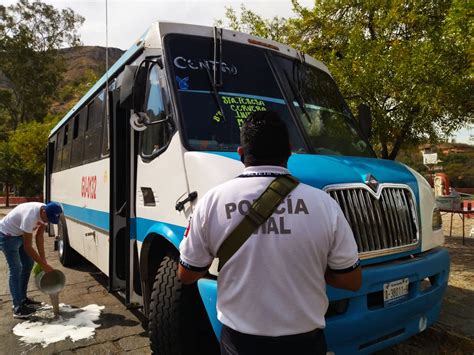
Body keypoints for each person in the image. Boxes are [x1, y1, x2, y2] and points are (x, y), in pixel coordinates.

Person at [178, 110, 362, 354]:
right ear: (289, 150)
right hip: (305, 344)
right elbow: (352, 280)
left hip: (241, 344)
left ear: (241, 154)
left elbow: (186, 274)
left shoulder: (212, 201)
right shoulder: (324, 204)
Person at [0, 201, 62, 318]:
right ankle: (18, 307)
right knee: (16, 268)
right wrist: (43, 265)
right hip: (7, 236)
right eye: (48, 218)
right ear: (43, 211)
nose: (47, 221)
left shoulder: (45, 213)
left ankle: (23, 299)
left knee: (28, 263)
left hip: (19, 234)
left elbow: (39, 237)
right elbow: (28, 247)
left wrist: (43, 261)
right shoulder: (30, 216)